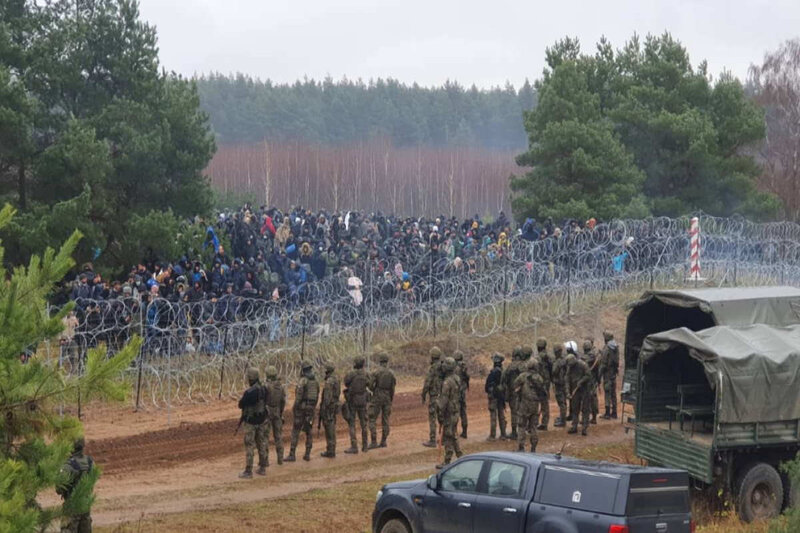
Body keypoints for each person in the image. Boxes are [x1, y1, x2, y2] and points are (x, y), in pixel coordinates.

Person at [57, 437, 95, 533]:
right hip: (86, 505)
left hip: (71, 506)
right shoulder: (90, 462)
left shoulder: (67, 465)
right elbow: (92, 481)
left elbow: (59, 489)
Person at [237, 367, 268, 478]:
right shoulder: (264, 389)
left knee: (250, 445)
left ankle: (248, 471)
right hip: (261, 420)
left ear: (251, 378)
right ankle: (263, 467)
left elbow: (240, 404)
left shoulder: (249, 392)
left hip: (251, 422)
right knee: (261, 443)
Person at [285, 361, 319, 462]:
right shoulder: (315, 382)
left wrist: (295, 407)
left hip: (302, 409)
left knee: (295, 431)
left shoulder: (303, 381)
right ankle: (307, 454)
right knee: (308, 431)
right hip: (311, 409)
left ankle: (292, 454)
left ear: (303, 370)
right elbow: (317, 395)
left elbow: (299, 396)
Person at [513, 358, 545, 452]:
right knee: (533, 427)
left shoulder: (523, 376)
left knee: (522, 426)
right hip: (535, 405)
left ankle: (521, 447)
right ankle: (533, 447)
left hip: (524, 404)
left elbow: (515, 385)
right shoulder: (539, 377)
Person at [436, 357, 463, 469]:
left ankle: (447, 461)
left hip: (449, 412)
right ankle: (460, 455)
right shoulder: (456, 378)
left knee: (448, 436)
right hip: (456, 410)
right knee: (453, 434)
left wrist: (440, 414)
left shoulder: (447, 382)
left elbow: (443, 401)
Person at [368, 351, 396, 449]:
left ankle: (374, 441)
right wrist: (390, 399)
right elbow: (393, 388)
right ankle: (383, 441)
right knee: (385, 419)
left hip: (377, 396)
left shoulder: (376, 372)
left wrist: (374, 391)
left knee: (372, 418)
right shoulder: (391, 373)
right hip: (387, 396)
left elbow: (371, 386)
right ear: (387, 361)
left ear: (380, 361)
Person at [343, 355, 369, 454]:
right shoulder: (365, 374)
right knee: (364, 424)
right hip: (362, 400)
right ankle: (365, 446)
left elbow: (346, 382)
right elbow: (369, 383)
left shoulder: (351, 374)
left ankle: (354, 446)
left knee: (352, 423)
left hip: (353, 400)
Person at [565, 342, 592, 436]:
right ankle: (574, 426)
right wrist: (568, 392)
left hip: (585, 389)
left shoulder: (583, 365)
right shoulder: (570, 367)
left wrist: (581, 381)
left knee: (585, 409)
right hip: (575, 390)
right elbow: (567, 380)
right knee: (575, 408)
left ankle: (584, 428)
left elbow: (588, 376)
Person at [421, 347, 443, 447]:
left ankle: (433, 439)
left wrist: (423, 394)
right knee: (442, 417)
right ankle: (444, 438)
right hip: (443, 396)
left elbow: (428, 382)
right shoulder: (443, 367)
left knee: (432, 418)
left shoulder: (433, 368)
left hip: (434, 396)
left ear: (433, 357)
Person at [264, 365, 286, 465]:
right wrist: (281, 413)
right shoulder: (280, 387)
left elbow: (262, 400)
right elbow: (283, 401)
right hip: (277, 411)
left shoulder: (266, 386)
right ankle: (280, 459)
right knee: (278, 436)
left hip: (267, 411)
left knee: (265, 437)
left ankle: (265, 460)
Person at [484, 353, 508, 441]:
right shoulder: (503, 371)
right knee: (501, 415)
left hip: (493, 396)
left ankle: (492, 436)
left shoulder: (493, 372)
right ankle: (503, 434)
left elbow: (487, 386)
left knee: (493, 415)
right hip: (501, 396)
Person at [501, 347, 523, 440]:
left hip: (513, 392)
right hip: (523, 392)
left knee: (514, 412)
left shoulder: (510, 366)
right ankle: (523, 430)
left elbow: (503, 379)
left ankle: (514, 432)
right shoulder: (524, 365)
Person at [319, 361, 340, 458]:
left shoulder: (329, 382)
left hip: (329, 408)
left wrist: (324, 409)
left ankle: (330, 450)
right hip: (334, 405)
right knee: (331, 427)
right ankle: (331, 449)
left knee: (329, 429)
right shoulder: (336, 379)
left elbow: (327, 398)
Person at [599, 330, 620, 419]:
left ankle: (607, 413)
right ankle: (614, 413)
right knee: (613, 394)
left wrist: (599, 375)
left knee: (607, 393)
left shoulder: (607, 348)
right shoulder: (615, 347)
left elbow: (603, 364)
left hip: (607, 374)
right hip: (613, 373)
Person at [581, 339, 600, 424]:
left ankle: (588, 418)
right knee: (592, 399)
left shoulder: (590, 356)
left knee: (588, 399)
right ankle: (593, 418)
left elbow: (584, 360)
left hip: (589, 381)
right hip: (592, 380)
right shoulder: (594, 356)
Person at [535, 337, 552, 431]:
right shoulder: (548, 357)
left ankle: (535, 422)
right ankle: (544, 423)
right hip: (546, 382)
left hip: (539, 382)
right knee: (545, 403)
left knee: (536, 402)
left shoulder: (537, 358)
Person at [550, 344, 568, 427]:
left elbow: (554, 372)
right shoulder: (565, 359)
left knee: (561, 403)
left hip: (559, 384)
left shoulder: (558, 362)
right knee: (564, 402)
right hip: (564, 383)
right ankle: (562, 417)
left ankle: (563, 421)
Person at [454, 350, 470, 438]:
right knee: (463, 412)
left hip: (456, 393)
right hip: (462, 393)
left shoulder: (454, 368)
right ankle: (465, 432)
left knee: (455, 412)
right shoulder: (464, 367)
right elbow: (467, 378)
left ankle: (454, 432)